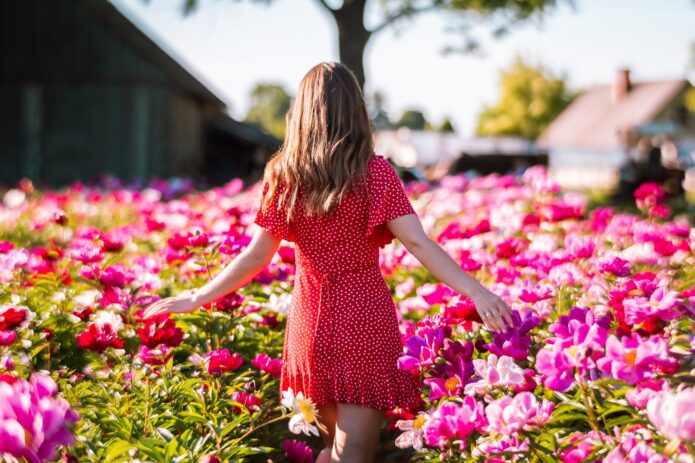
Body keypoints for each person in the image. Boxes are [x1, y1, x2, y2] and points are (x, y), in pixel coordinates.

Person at [142, 61, 514, 463]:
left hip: (309, 326)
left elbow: (255, 256)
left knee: (331, 449)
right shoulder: (375, 173)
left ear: (301, 113)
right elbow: (418, 244)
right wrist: (477, 292)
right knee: (351, 454)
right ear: (356, 110)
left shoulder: (284, 175)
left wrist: (198, 295)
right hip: (363, 324)